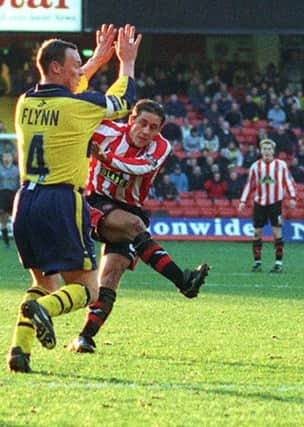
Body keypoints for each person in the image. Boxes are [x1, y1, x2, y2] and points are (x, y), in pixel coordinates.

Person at [7, 24, 141, 373]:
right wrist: (125, 63)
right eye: (74, 64)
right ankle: (47, 311)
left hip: (25, 202)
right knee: (88, 290)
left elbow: (70, 89)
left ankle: (19, 352)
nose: (79, 70)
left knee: (42, 283)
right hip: (61, 201)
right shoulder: (78, 107)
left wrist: (95, 60)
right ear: (55, 67)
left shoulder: (25, 103)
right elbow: (124, 102)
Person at [68, 99, 210, 353]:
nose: (146, 131)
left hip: (129, 207)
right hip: (94, 201)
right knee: (134, 226)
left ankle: (85, 337)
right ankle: (183, 281)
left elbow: (142, 167)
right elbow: (75, 124)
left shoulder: (161, 147)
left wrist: (106, 157)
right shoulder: (105, 130)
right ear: (131, 120)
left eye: (153, 127)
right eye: (142, 123)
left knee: (111, 275)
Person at [238, 139, 297, 273]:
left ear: (273, 151)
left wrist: (293, 197)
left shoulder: (281, 165)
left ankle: (278, 263)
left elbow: (289, 181)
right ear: (261, 151)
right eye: (264, 149)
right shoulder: (255, 166)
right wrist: (243, 201)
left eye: (269, 149)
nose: (267, 151)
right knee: (257, 233)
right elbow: (250, 185)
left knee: (277, 233)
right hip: (259, 203)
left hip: (275, 203)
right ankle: (257, 262)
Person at [0, 151, 19, 249]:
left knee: (15, 220)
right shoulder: (0, 169)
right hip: (2, 195)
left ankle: (18, 242)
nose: (7, 158)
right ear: (2, 158)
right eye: (5, 156)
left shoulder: (17, 170)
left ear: (12, 158)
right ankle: (6, 242)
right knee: (3, 219)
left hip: (13, 194)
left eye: (8, 156)